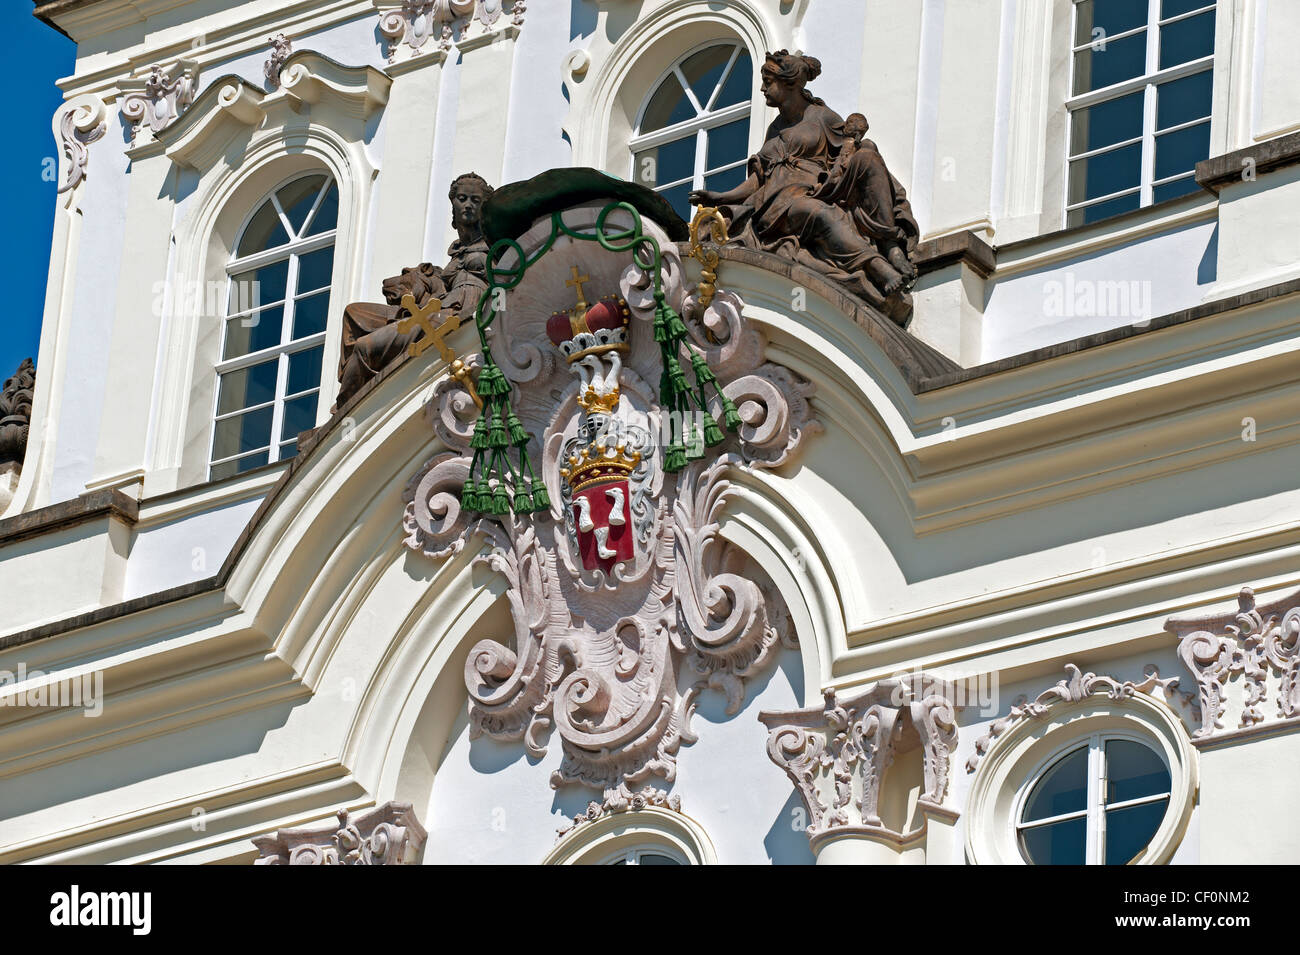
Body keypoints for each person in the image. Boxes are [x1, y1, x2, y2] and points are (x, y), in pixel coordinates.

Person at [688, 51, 919, 325]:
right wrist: (719, 196)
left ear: (790, 83)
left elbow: (851, 145)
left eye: (768, 81)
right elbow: (757, 183)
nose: (762, 88)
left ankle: (890, 244)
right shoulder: (774, 131)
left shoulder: (822, 117)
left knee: (868, 154)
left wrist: (855, 146)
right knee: (818, 212)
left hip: (824, 186)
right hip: (781, 201)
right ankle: (877, 267)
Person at [334, 173, 493, 410]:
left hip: (455, 315)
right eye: (462, 198)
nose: (468, 204)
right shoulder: (457, 252)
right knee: (354, 313)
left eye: (475, 200)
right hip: (439, 309)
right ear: (453, 205)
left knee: (365, 347)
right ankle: (345, 411)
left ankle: (346, 410)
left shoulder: (493, 244)